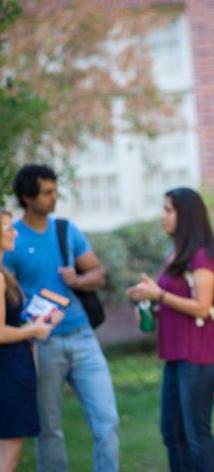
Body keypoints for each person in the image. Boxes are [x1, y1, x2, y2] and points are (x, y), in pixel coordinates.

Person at [2, 164, 119, 472]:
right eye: (47, 192)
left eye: (55, 190)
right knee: (49, 429)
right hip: (43, 344)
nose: (55, 197)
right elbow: (7, 298)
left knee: (107, 422)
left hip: (83, 337)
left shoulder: (67, 230)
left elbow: (98, 273)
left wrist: (78, 280)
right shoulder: (11, 240)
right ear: (28, 197)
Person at [127, 187, 214, 472]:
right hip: (176, 355)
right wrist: (152, 306)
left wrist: (158, 295)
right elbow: (173, 300)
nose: (162, 216)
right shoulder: (176, 253)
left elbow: (202, 306)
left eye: (168, 210)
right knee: (172, 433)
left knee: (196, 437)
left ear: (186, 215)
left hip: (198, 354)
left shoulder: (202, 255)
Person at [0, 209, 62, 472]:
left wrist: (41, 320)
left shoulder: (4, 272)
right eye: (7, 228)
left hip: (13, 367)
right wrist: (34, 332)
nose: (14, 232)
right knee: (7, 455)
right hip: (7, 372)